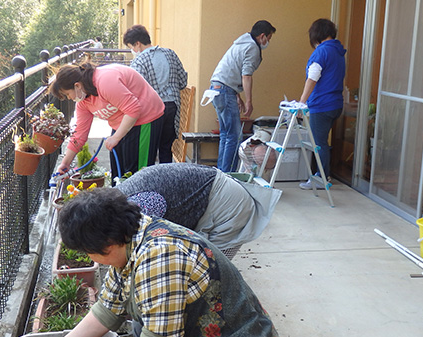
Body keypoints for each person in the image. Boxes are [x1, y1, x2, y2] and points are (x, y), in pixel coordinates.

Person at [39, 188, 280, 337]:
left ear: (108, 246)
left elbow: (159, 336)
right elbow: (108, 309)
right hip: (202, 336)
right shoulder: (131, 237)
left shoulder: (159, 256)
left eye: (88, 253)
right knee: (140, 324)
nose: (91, 258)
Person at [116, 162, 281, 252]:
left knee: (212, 270)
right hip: (213, 194)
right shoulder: (119, 199)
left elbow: (147, 249)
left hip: (227, 206)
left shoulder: (140, 206)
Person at [50, 61, 164, 181]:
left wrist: (116, 138)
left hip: (146, 117)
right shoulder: (83, 102)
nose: (69, 98)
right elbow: (79, 135)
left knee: (137, 175)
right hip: (123, 122)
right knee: (118, 174)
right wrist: (65, 163)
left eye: (68, 94)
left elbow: (133, 109)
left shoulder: (104, 82)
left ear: (77, 85)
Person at [208, 20, 276, 173]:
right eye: (269, 38)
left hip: (217, 88)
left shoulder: (241, 42)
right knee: (234, 136)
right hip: (225, 90)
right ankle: (228, 176)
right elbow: (246, 75)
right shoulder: (252, 47)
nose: (268, 42)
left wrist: (238, 97)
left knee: (226, 135)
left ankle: (221, 172)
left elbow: (232, 71)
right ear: (262, 36)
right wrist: (250, 101)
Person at [123, 25, 188, 163]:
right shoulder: (170, 53)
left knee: (149, 150)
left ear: (138, 44)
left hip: (152, 110)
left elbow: (134, 91)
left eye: (132, 47)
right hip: (173, 107)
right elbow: (183, 82)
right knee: (166, 148)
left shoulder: (139, 61)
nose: (133, 50)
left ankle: (149, 181)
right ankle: (166, 182)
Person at [298, 19, 346, 190]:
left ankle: (321, 178)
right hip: (335, 104)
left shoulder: (322, 52)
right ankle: (323, 175)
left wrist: (301, 102)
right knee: (322, 142)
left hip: (322, 104)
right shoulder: (338, 52)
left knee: (318, 143)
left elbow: (312, 78)